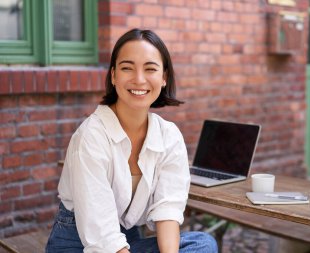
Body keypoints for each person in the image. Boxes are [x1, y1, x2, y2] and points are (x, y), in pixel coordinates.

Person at [45, 28, 218, 253]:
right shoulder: (91, 136)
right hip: (78, 243)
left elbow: (167, 210)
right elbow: (103, 235)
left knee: (203, 244)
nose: (139, 79)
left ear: (164, 77)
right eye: (127, 68)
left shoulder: (169, 136)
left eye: (150, 69)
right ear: (114, 75)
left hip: (128, 241)